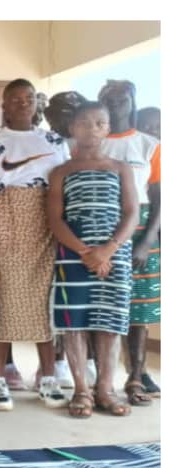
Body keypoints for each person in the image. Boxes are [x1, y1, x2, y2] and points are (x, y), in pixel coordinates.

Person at [0, 79, 70, 412]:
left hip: (44, 226)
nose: (22, 103)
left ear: (36, 104)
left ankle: (47, 378)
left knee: (43, 305)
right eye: (15, 99)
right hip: (5, 223)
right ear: (4, 105)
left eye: (28, 98)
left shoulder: (55, 141)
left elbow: (64, 190)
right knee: (3, 303)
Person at [48, 100, 139, 418]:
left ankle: (105, 389)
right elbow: (56, 220)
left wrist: (108, 249)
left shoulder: (120, 168)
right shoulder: (61, 172)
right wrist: (87, 253)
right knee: (75, 323)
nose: (92, 128)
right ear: (72, 128)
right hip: (74, 256)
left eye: (99, 122)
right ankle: (81, 391)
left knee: (109, 322)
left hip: (115, 256)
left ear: (108, 128)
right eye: (84, 122)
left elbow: (132, 213)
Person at [99, 80, 161, 402]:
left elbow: (161, 197)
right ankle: (101, 382)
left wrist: (147, 241)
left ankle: (135, 379)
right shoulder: (91, 142)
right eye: (108, 100)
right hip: (101, 231)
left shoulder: (149, 145)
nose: (115, 106)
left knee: (138, 311)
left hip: (139, 234)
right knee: (101, 306)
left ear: (132, 102)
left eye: (122, 100)